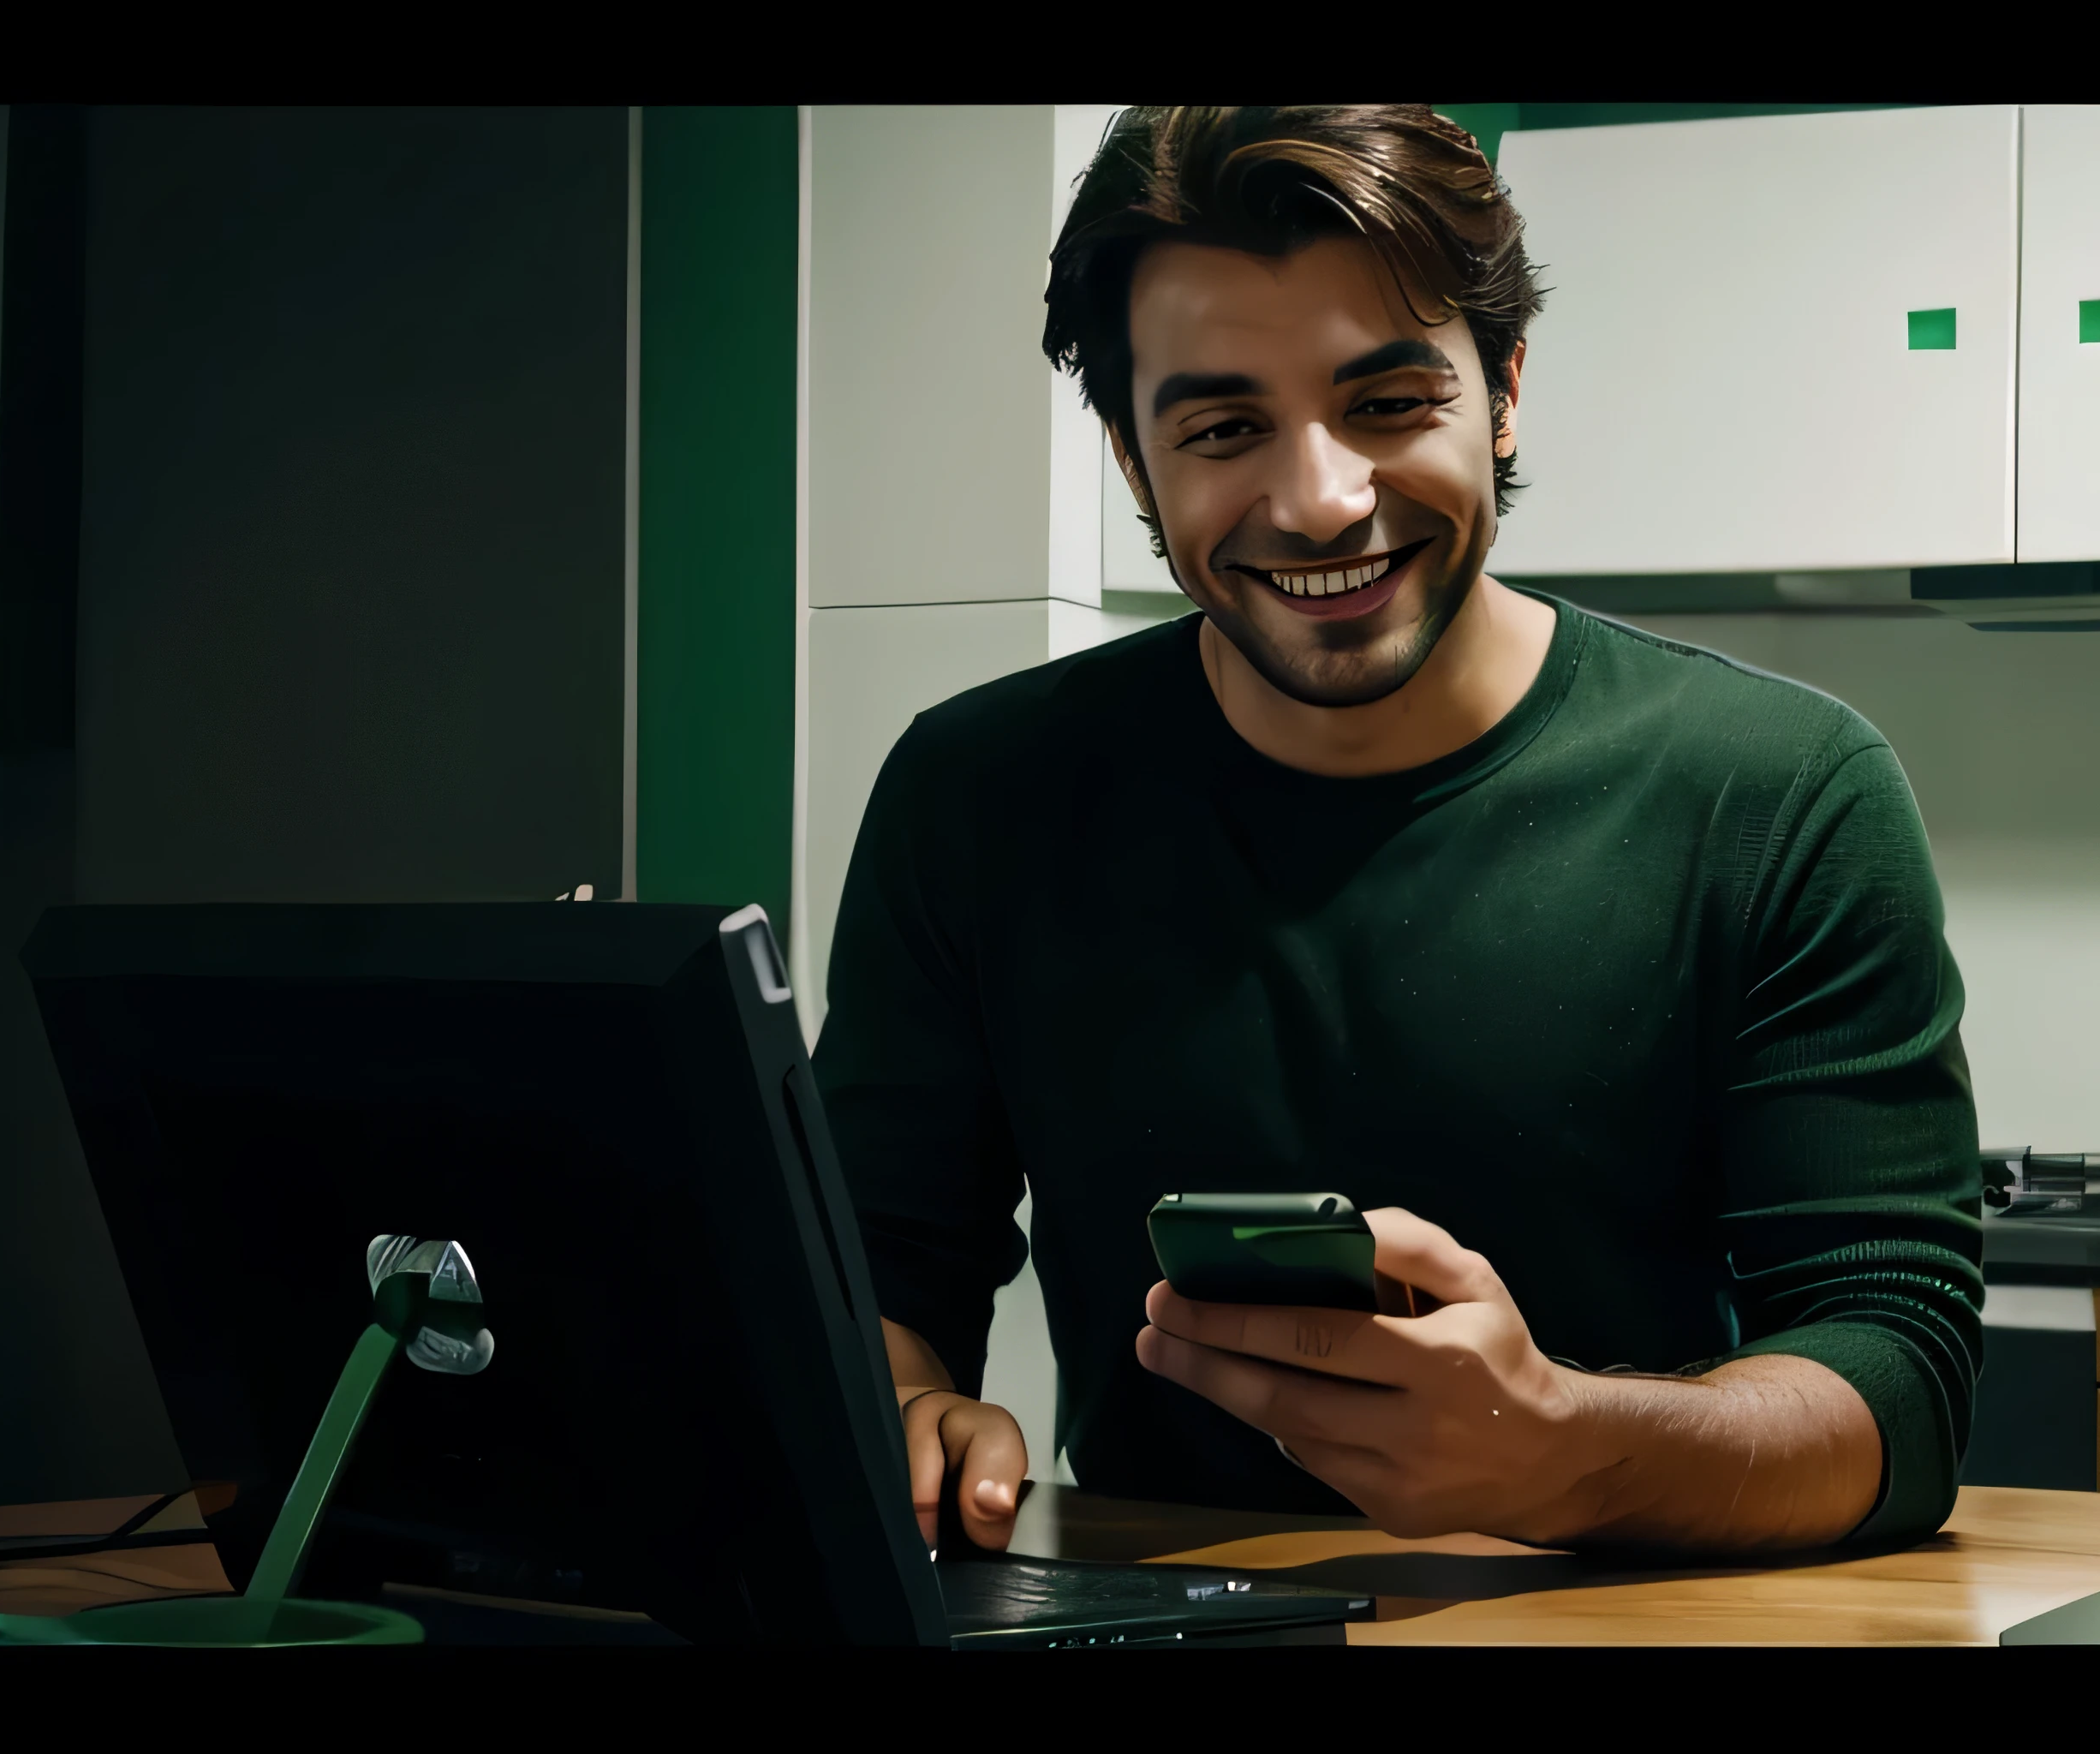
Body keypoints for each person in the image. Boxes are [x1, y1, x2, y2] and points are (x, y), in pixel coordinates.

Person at [812, 105, 1981, 1560]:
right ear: (1132, 458)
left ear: (1503, 391)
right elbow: (874, 1274)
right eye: (1227, 427)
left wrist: (1575, 1451)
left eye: (1387, 403)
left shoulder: (1782, 792)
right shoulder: (976, 791)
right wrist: (908, 1405)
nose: (1321, 502)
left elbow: (1900, 1377)